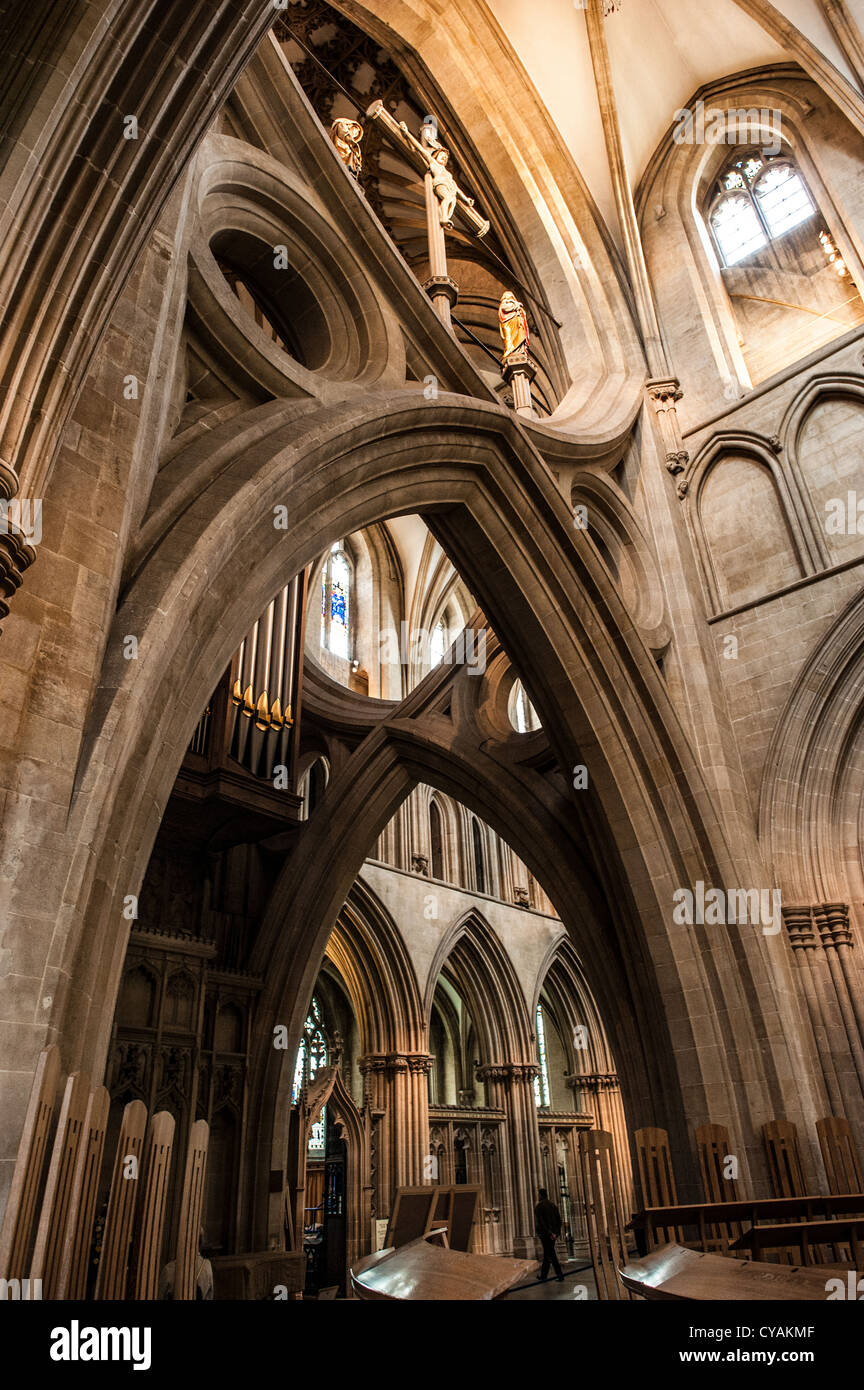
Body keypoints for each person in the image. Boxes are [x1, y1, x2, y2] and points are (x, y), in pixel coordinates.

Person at [534, 1188, 564, 1282]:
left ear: (541, 1195)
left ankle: (559, 1275)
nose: (538, 1196)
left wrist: (549, 1232)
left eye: (538, 1195)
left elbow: (541, 1222)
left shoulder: (539, 1207)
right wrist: (556, 1233)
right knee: (548, 1254)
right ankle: (544, 1276)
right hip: (552, 1235)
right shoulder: (553, 1206)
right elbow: (559, 1221)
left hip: (546, 1235)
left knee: (551, 1254)